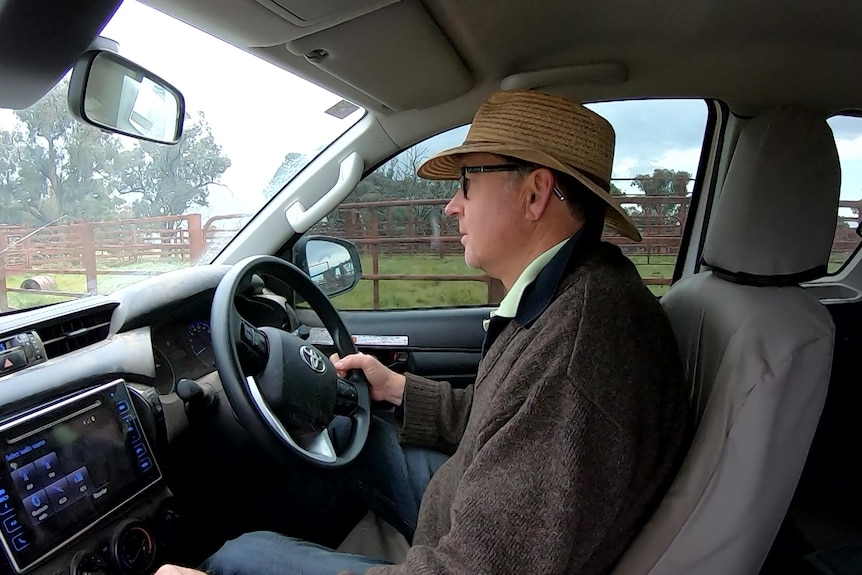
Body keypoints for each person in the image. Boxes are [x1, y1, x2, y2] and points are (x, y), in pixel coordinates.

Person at [156, 89, 690, 575]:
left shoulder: (577, 356)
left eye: (467, 184)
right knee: (343, 433)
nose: (452, 205)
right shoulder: (573, 294)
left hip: (462, 544)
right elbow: (503, 419)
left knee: (238, 557)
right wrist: (397, 389)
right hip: (470, 501)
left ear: (534, 195)